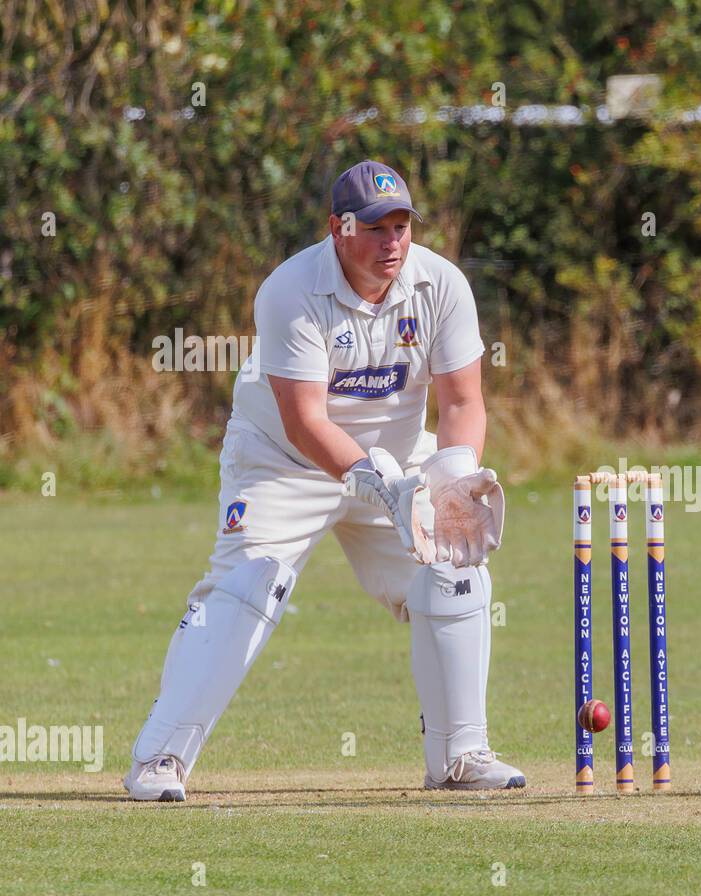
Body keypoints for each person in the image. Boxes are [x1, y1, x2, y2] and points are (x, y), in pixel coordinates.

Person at [124, 160, 521, 801]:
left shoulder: (441, 284)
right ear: (338, 229)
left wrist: (451, 476)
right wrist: (375, 482)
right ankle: (159, 757)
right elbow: (305, 419)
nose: (392, 241)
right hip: (284, 461)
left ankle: (459, 757)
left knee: (455, 566)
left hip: (395, 459)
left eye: (401, 226)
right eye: (376, 228)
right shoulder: (290, 290)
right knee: (249, 581)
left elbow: (461, 403)